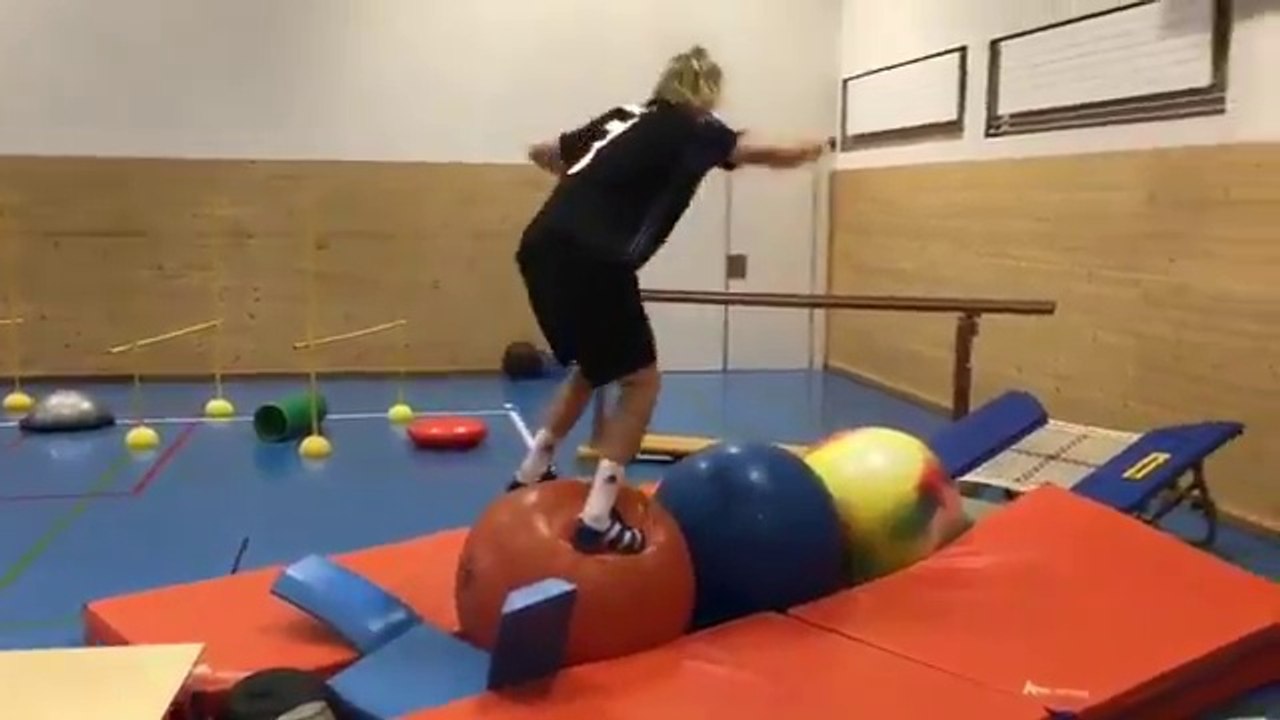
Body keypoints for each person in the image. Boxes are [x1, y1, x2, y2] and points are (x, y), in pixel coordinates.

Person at [510, 45, 828, 555]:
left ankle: (530, 472)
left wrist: (593, 187)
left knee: (593, 368)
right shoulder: (695, 127)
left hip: (540, 247)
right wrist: (814, 147)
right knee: (642, 381)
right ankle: (599, 517)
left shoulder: (624, 118)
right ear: (706, 94)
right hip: (595, 258)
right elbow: (764, 149)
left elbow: (544, 151)